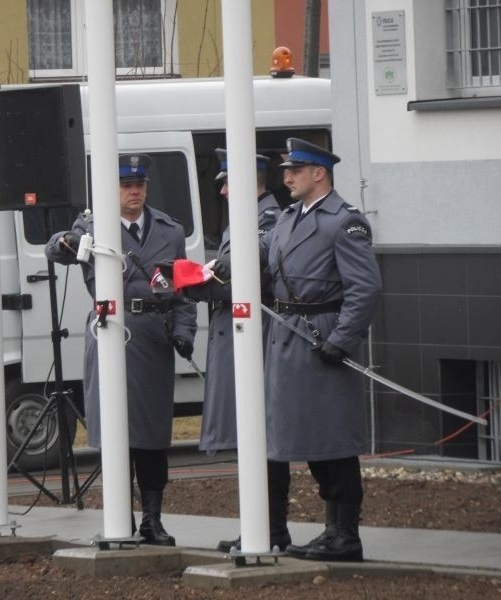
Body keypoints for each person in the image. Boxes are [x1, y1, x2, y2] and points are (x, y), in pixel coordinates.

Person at [214, 137, 381, 562]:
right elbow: (262, 255)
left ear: (319, 173)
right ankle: (285, 529)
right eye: (287, 170)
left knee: (333, 439)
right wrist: (218, 267)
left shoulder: (344, 222)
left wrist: (341, 340)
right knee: (289, 437)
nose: (285, 177)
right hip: (286, 337)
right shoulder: (289, 218)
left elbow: (364, 289)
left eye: (295, 170)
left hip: (320, 333)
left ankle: (344, 535)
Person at [45, 153, 197, 546]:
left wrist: (184, 332)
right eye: (127, 186)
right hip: (110, 332)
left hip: (151, 337)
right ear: (112, 190)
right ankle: (119, 517)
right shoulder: (93, 226)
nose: (134, 192)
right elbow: (55, 250)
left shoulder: (170, 231)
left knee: (152, 436)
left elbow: (181, 294)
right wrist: (69, 240)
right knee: (115, 432)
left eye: (140, 185)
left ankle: (152, 519)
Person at [179, 149, 291, 553]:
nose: (223, 191)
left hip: (254, 341)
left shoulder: (267, 219)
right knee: (250, 441)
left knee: (261, 440)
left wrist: (196, 281)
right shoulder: (245, 220)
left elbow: (249, 268)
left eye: (228, 182)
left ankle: (271, 530)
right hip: (235, 338)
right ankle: (259, 527)